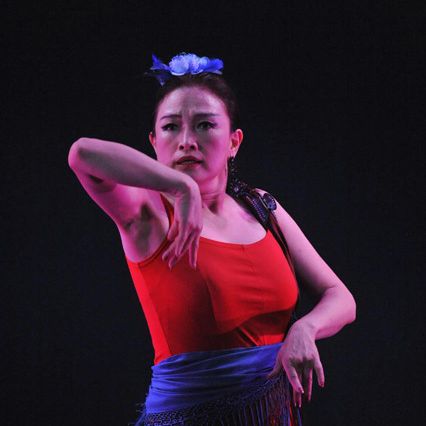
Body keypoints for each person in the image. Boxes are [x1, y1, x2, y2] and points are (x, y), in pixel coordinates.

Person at [68, 52, 356, 425]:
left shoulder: (260, 206)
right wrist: (181, 186)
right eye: (171, 127)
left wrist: (306, 328)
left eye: (205, 125)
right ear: (153, 142)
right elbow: (82, 154)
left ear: (234, 142)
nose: (187, 140)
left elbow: (342, 298)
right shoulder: (147, 214)